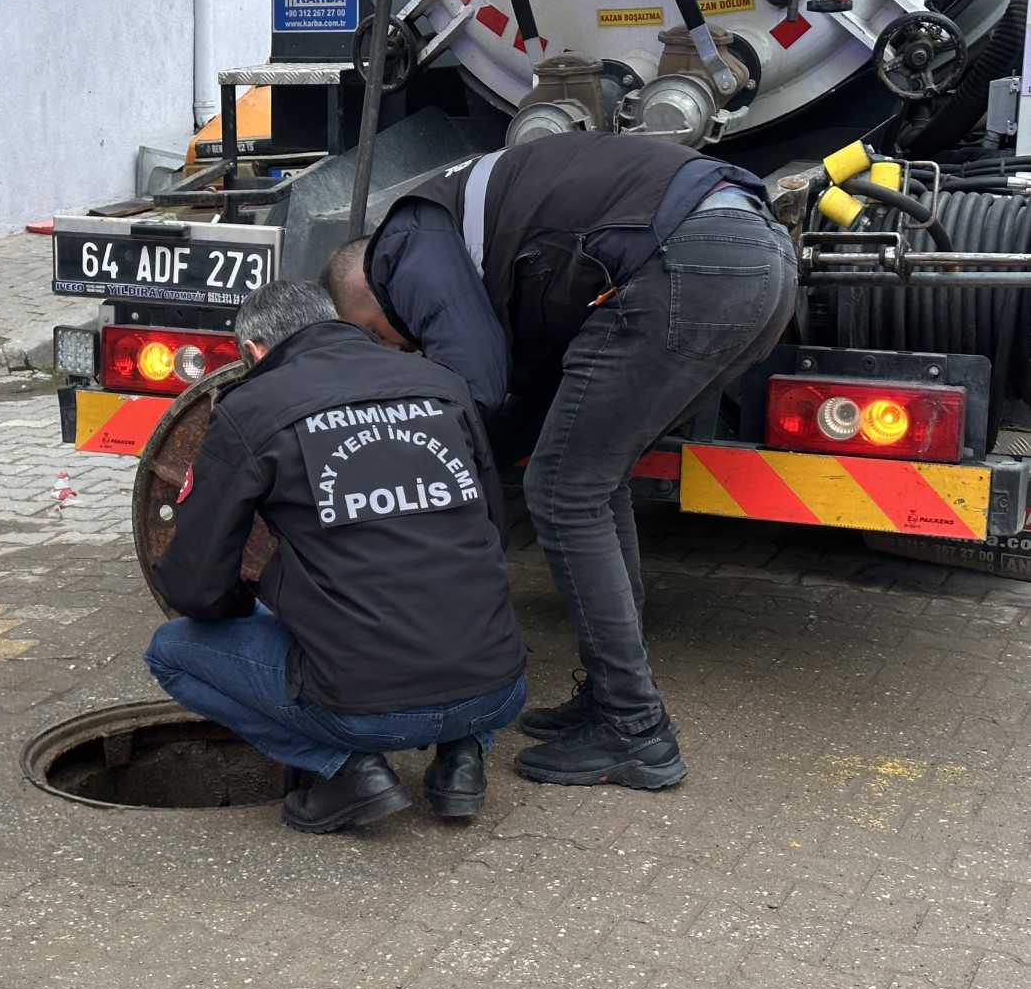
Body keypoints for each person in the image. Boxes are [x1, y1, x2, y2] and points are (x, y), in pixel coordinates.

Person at [322, 131, 798, 790]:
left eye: (378, 336)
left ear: (367, 287)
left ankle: (635, 730)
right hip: (754, 259)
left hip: (691, 260)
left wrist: (401, 467)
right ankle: (611, 696)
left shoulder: (403, 245)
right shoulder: (481, 255)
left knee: (564, 490)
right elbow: (525, 406)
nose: (397, 350)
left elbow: (478, 382)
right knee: (589, 481)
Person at [143, 280, 527, 834]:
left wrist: (256, 607)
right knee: (449, 601)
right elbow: (494, 528)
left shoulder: (252, 408)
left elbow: (195, 589)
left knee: (170, 652)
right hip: (499, 691)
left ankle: (349, 771)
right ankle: (461, 761)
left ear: (253, 350)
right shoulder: (442, 383)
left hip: (365, 712)